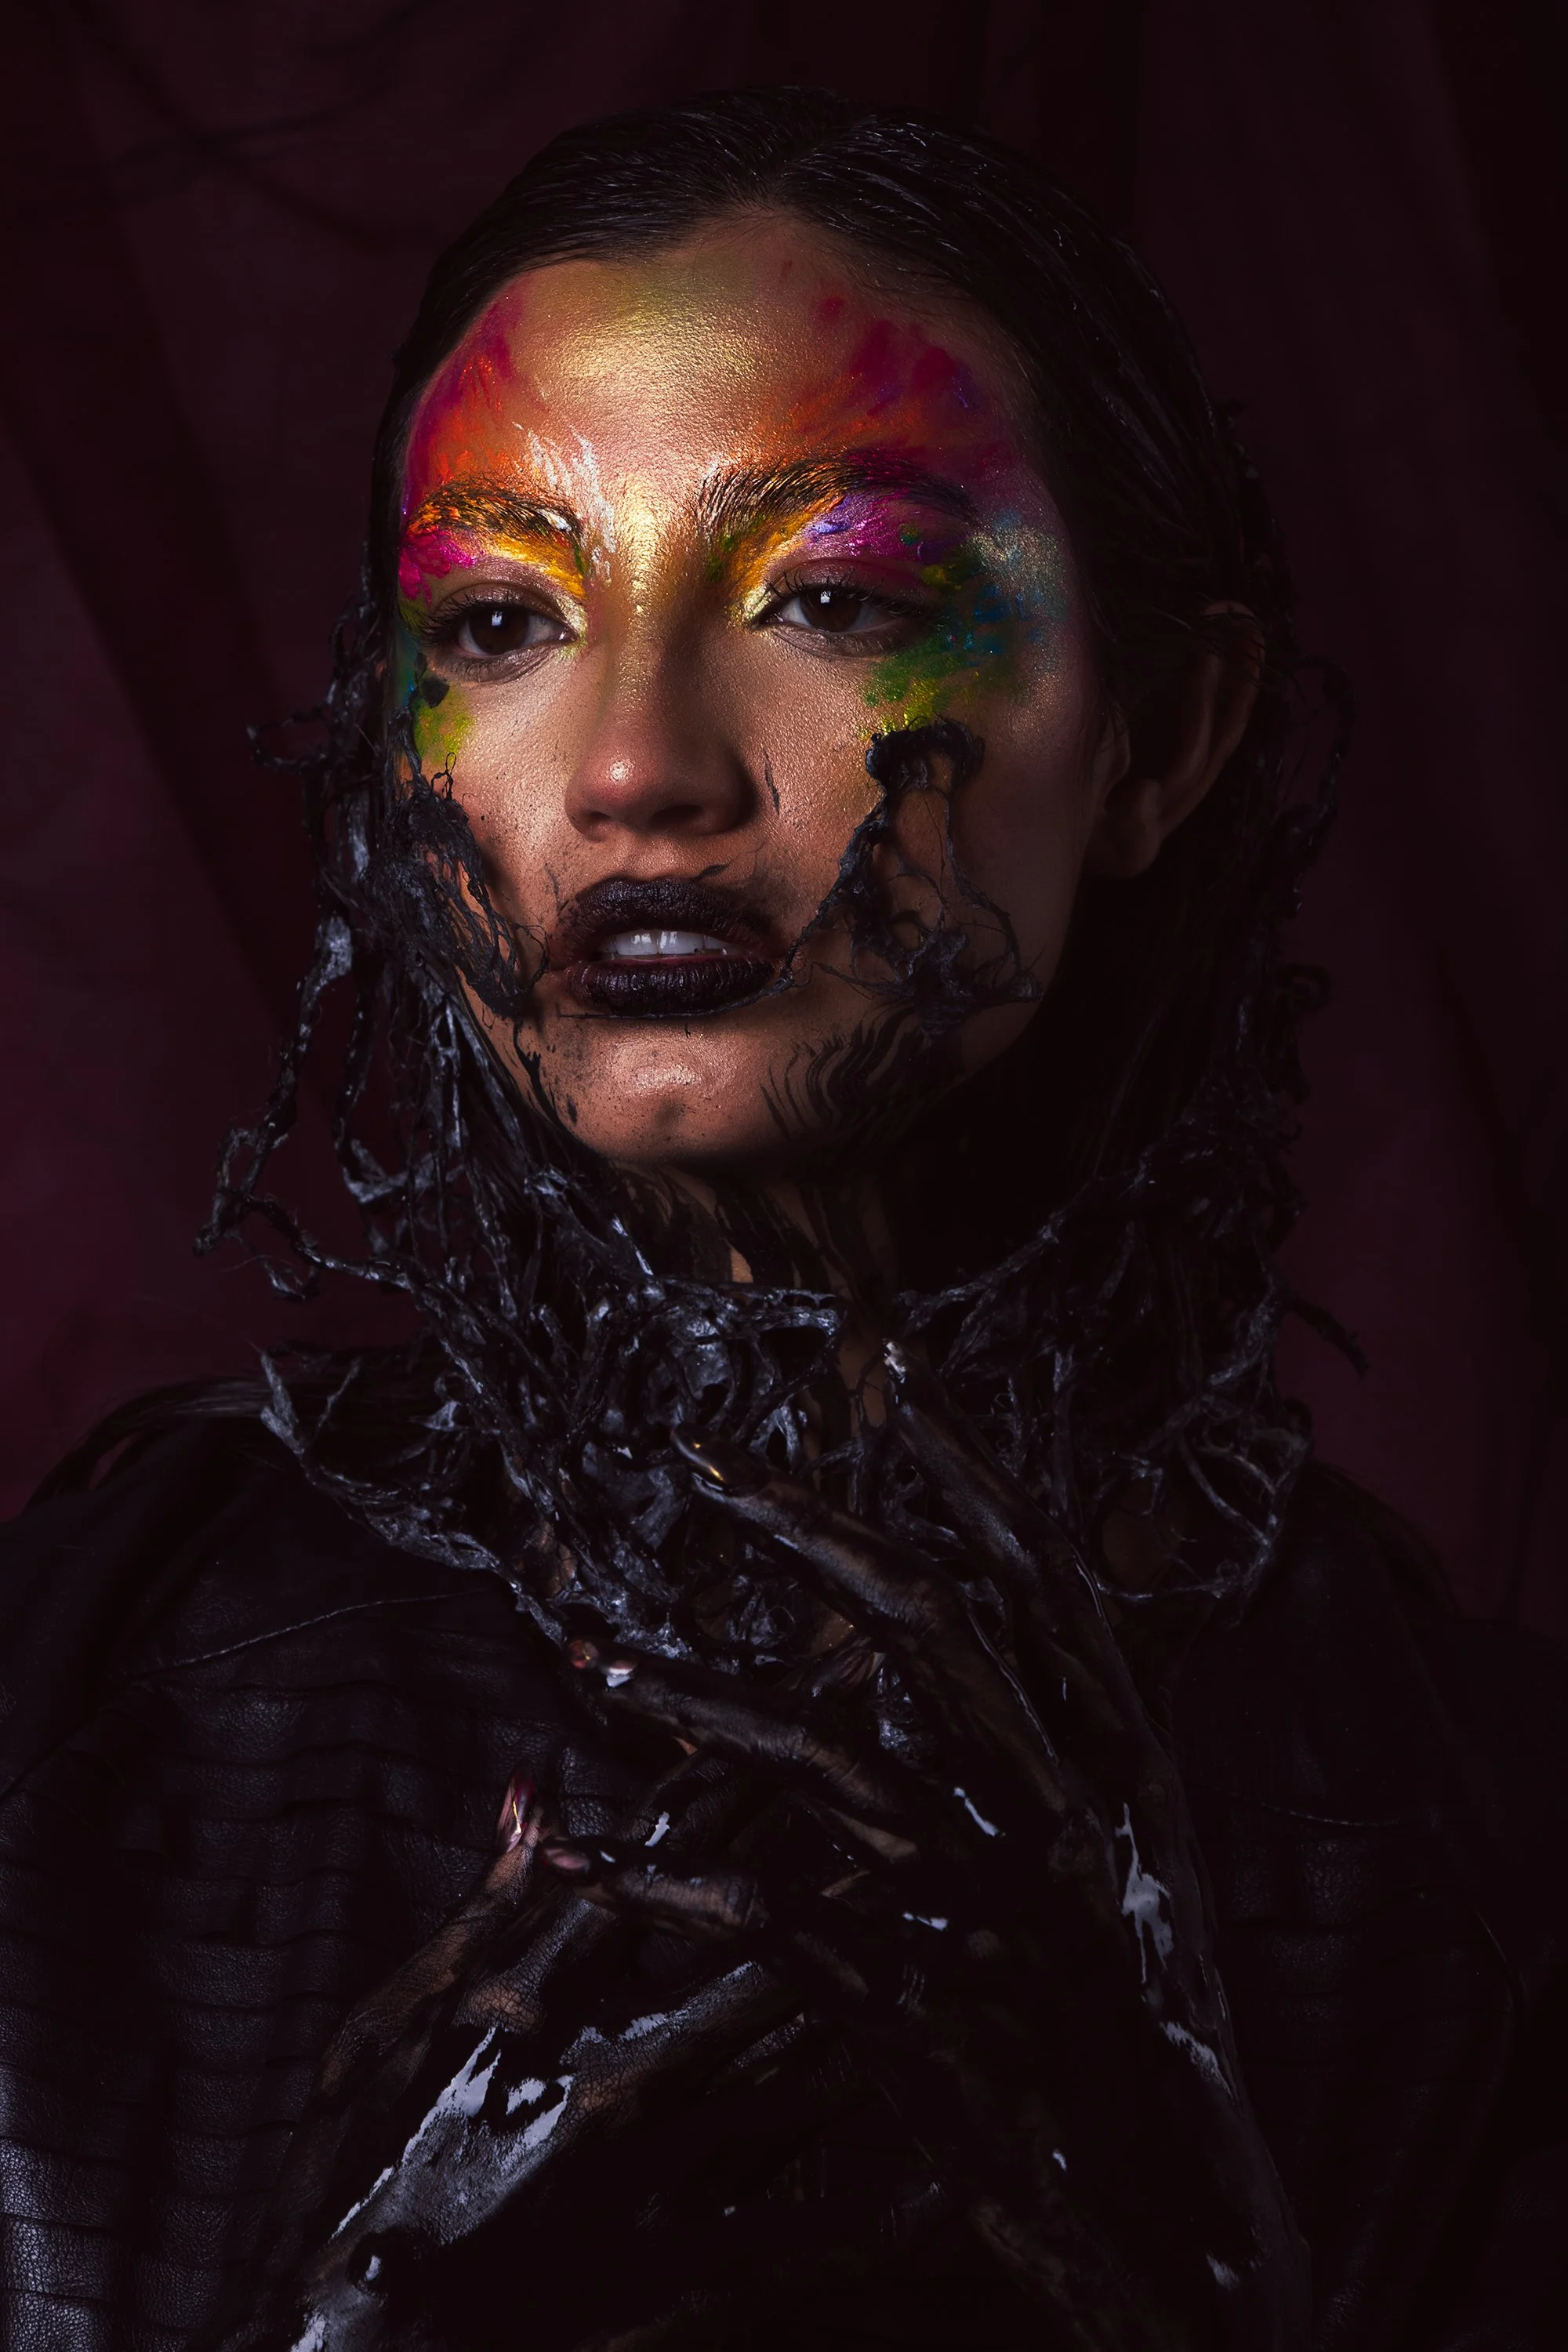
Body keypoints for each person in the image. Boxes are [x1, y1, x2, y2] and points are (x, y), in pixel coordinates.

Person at [1, 86, 1563, 2352]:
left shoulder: (1466, 1843)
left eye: (832, 600)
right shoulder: (89, 1710)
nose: (638, 765)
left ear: (1162, 736)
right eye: (503, 619)